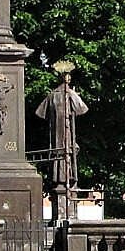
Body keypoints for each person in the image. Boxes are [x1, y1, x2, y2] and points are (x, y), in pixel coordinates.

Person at [35, 61, 89, 192]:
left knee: (66, 152)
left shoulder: (64, 94)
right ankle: (61, 179)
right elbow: (82, 108)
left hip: (65, 133)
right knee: (61, 152)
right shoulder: (57, 95)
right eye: (66, 75)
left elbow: (82, 108)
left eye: (69, 74)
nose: (68, 77)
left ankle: (66, 178)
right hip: (60, 134)